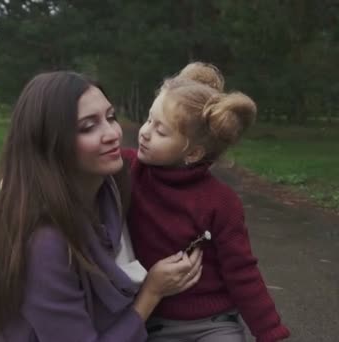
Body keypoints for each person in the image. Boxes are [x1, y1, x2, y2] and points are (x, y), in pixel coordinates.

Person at [0, 71, 203, 342]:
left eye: (110, 117)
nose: (112, 134)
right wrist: (152, 292)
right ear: (50, 143)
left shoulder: (111, 188)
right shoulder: (46, 244)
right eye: (87, 126)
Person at [122, 62, 290, 341]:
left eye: (161, 131)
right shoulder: (129, 170)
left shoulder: (221, 202)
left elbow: (242, 273)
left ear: (193, 152)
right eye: (149, 119)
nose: (145, 132)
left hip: (212, 325)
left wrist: (271, 333)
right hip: (152, 321)